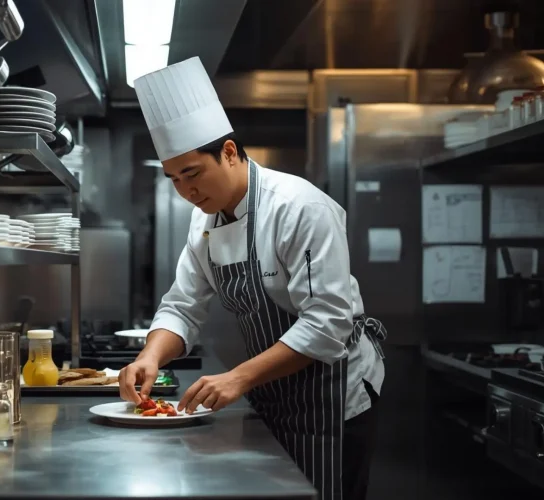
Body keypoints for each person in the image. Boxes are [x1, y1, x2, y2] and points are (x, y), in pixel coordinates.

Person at [118, 57, 386, 500]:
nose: (186, 191)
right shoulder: (202, 221)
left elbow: (326, 323)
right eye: (173, 179)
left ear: (228, 152)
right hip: (269, 390)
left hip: (332, 396)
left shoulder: (299, 208)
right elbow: (183, 304)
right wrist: (151, 356)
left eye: (193, 174)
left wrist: (239, 377)